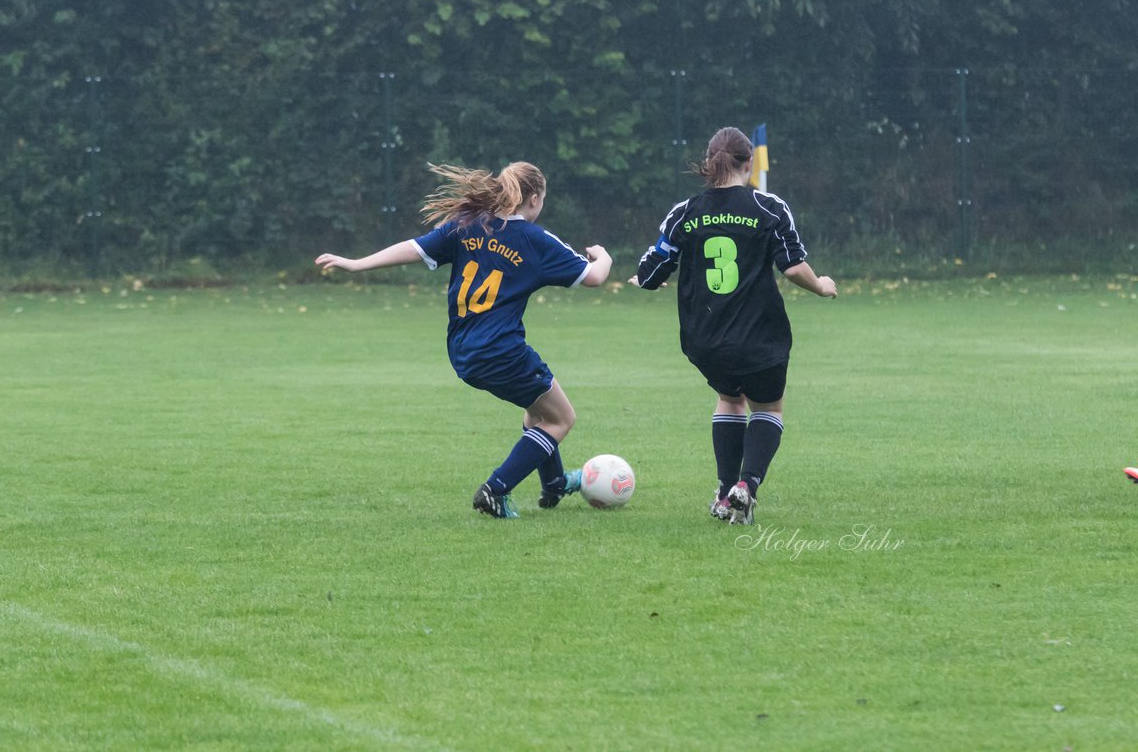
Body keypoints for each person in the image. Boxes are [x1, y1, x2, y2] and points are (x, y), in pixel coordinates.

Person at [316, 161, 613, 519]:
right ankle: (495, 490)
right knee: (561, 419)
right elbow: (594, 277)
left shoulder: (468, 225)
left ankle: (553, 484)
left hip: (462, 352)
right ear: (534, 198)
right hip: (502, 351)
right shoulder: (535, 240)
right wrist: (605, 257)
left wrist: (356, 263)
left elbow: (412, 248)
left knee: (537, 409)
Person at [629, 127, 836, 525]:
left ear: (708, 164)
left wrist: (646, 276)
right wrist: (822, 286)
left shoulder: (684, 212)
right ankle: (747, 486)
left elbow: (651, 272)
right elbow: (793, 267)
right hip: (760, 336)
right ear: (750, 163)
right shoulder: (769, 208)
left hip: (704, 339)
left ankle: (725, 494)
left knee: (730, 398)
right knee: (768, 407)